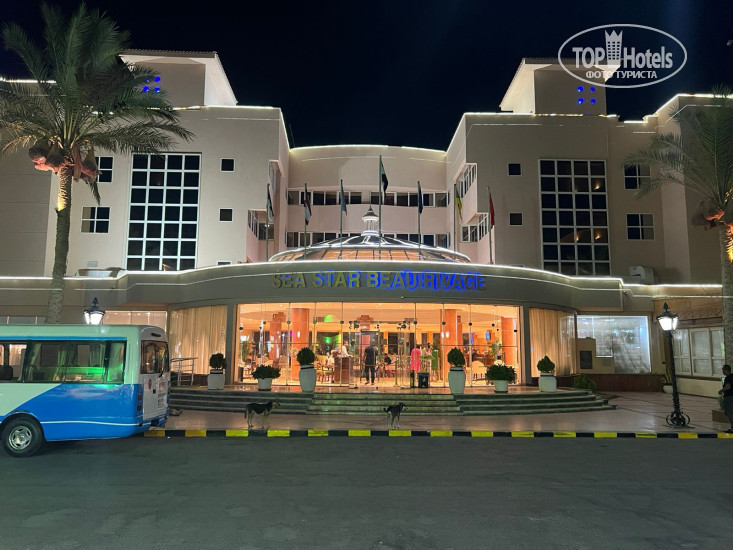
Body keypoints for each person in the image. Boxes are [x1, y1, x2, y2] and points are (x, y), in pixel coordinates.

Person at [719, 364, 733, 433]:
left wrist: (721, 391)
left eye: (723, 370)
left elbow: (728, 387)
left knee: (730, 413)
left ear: (725, 370)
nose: (722, 371)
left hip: (729, 397)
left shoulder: (728, 378)